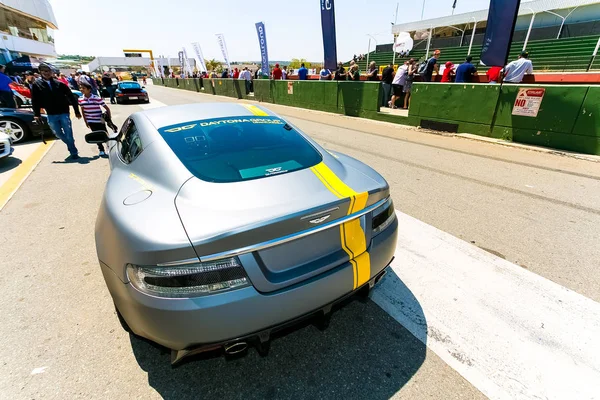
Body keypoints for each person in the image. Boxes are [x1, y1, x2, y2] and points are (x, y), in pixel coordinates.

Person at [31, 63, 82, 160]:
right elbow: (35, 100)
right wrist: (36, 114)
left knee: (68, 133)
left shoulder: (60, 83)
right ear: (40, 72)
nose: (46, 73)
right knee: (57, 133)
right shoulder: (36, 84)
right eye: (44, 71)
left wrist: (77, 111)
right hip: (51, 113)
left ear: (52, 72)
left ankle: (73, 151)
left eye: (48, 71)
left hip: (64, 112)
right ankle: (70, 142)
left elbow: (71, 97)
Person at [78, 81, 113, 157]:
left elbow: (107, 108)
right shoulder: (80, 99)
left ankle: (109, 147)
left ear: (89, 89)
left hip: (99, 120)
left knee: (104, 134)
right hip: (91, 121)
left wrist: (109, 119)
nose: (81, 89)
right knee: (96, 135)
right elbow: (83, 111)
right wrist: (86, 121)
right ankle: (101, 149)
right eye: (80, 88)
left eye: (83, 88)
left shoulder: (96, 98)